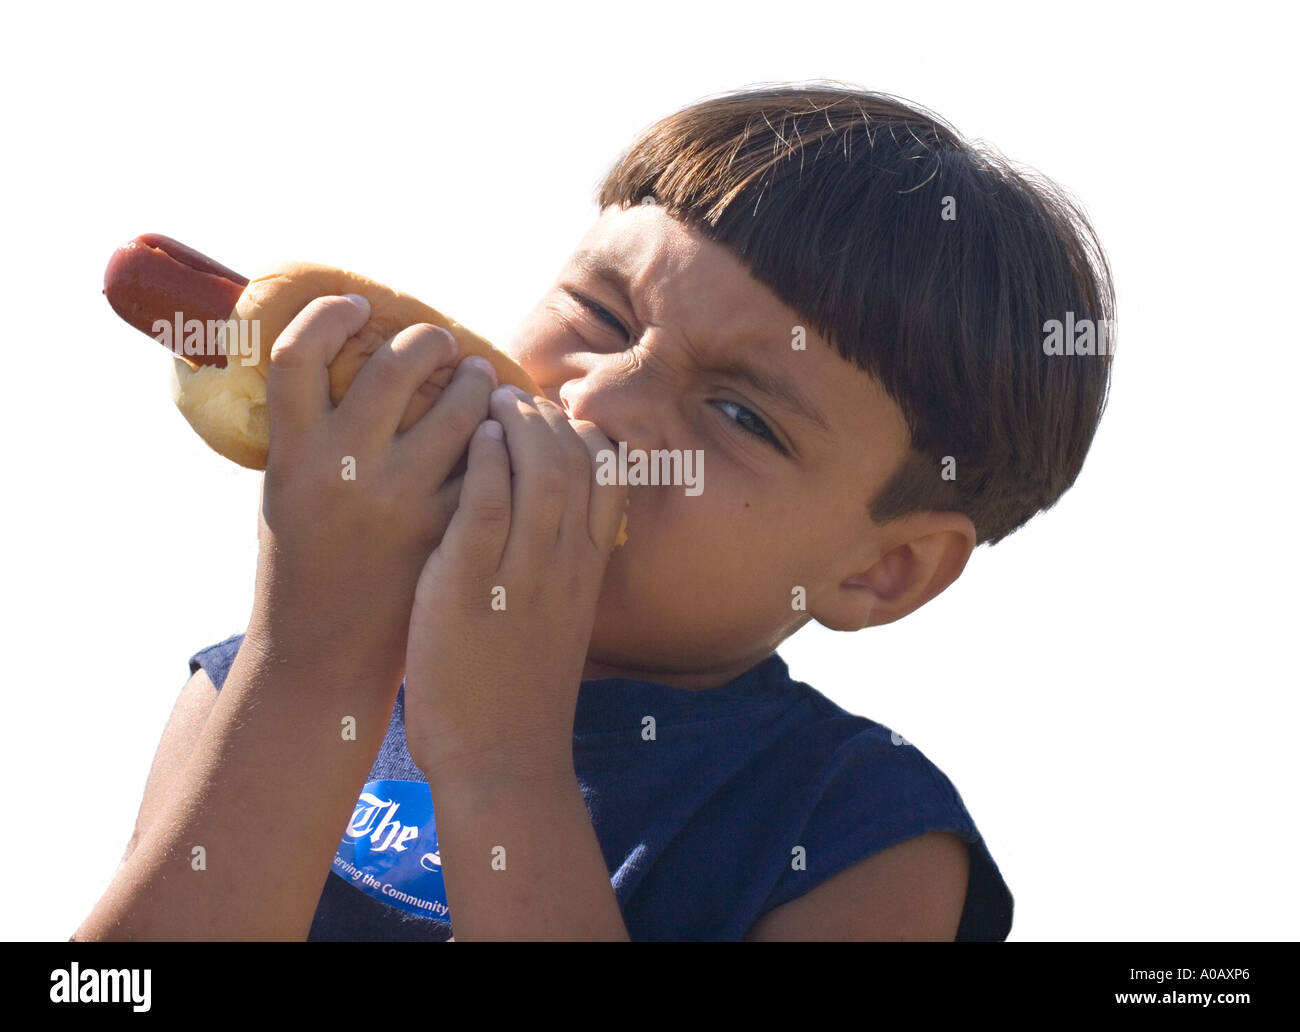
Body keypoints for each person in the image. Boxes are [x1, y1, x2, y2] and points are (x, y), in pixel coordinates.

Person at [76, 82, 1113, 941]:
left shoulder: (860, 834)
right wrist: (308, 661)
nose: (602, 401)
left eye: (742, 414)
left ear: (882, 568)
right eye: (603, 316)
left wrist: (502, 760)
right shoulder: (257, 677)